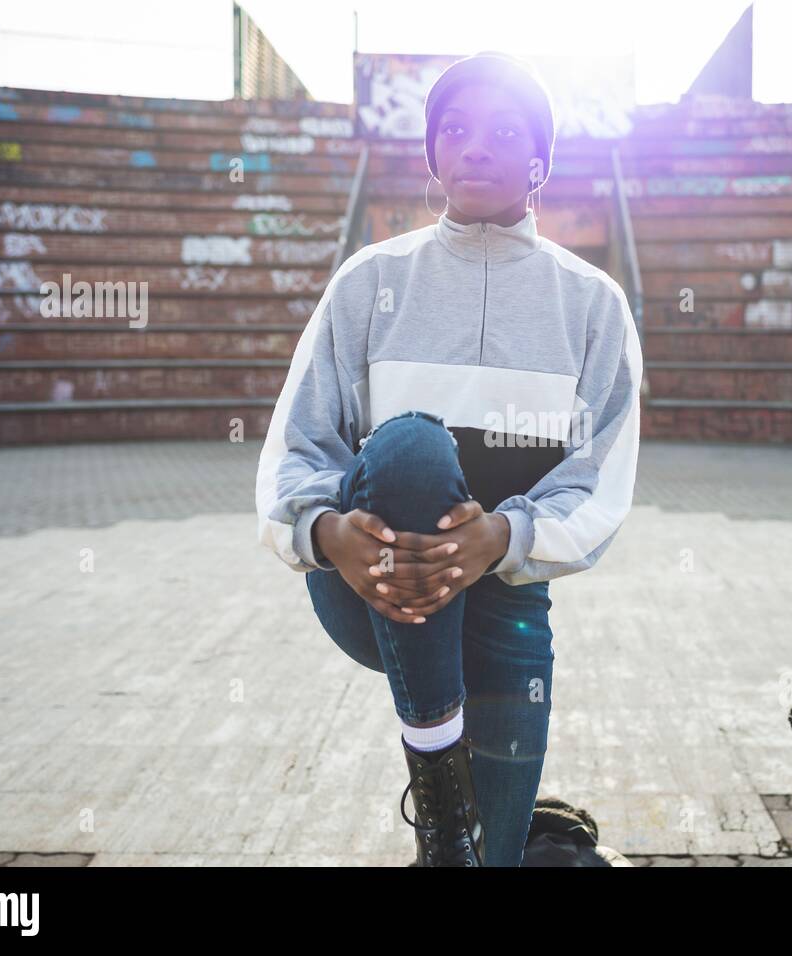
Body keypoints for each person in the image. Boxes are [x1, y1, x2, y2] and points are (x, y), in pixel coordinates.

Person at [255, 51, 643, 867]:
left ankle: (470, 841)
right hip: (373, 587)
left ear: (540, 163)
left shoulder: (591, 304)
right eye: (455, 131)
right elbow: (299, 444)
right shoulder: (369, 282)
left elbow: (599, 479)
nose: (474, 147)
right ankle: (436, 784)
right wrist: (327, 534)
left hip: (505, 599)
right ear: (433, 154)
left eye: (503, 131)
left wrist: (499, 539)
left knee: (483, 862)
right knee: (410, 446)